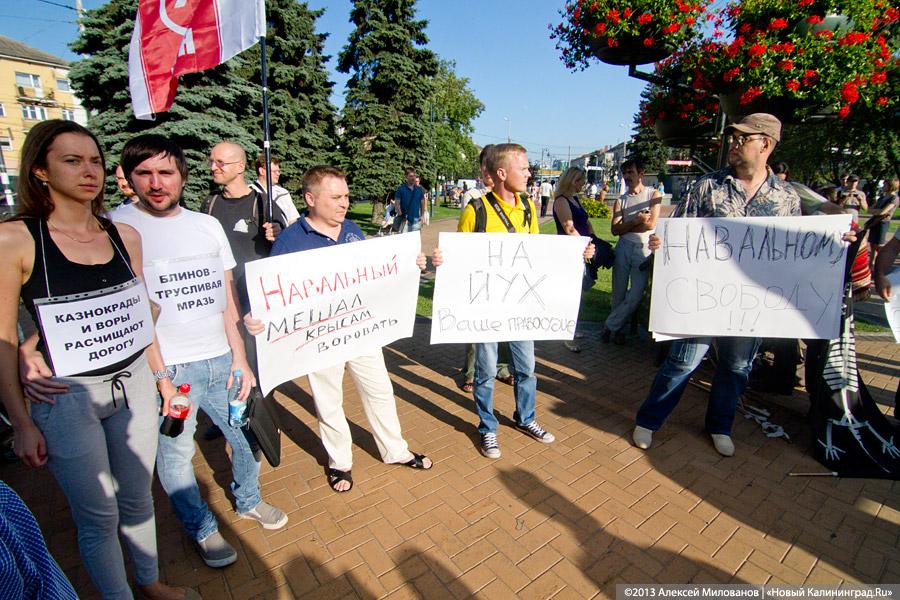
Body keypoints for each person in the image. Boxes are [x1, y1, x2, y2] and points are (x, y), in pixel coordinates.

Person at [3, 120, 192, 599]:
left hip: (133, 386)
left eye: (95, 161)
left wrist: (163, 381)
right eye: (72, 161)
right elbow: (4, 335)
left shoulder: (123, 235)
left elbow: (140, 313)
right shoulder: (17, 240)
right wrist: (21, 421)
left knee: (137, 498)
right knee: (98, 514)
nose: (89, 172)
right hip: (67, 395)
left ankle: (150, 583)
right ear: (41, 170)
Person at [113, 134, 288, 567]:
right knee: (175, 456)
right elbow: (130, 307)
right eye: (144, 173)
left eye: (166, 172)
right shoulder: (115, 227)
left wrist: (241, 358)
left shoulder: (205, 225)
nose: (156, 183)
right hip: (169, 371)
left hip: (223, 362)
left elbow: (226, 293)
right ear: (130, 177)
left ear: (181, 176)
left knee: (247, 437)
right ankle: (202, 530)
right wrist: (162, 379)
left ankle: (248, 499)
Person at [245, 166, 433, 493]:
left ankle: (395, 451)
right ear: (310, 199)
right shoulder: (291, 241)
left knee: (380, 391)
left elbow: (373, 274)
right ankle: (339, 463)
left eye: (346, 196)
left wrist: (409, 264)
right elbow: (275, 296)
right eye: (336, 197)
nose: (344, 203)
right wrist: (257, 317)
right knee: (329, 401)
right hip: (319, 340)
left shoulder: (352, 230)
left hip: (360, 332)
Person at [632, 113, 802, 458]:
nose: (733, 143)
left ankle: (720, 425)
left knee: (737, 367)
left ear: (765, 144)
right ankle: (649, 420)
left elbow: (797, 248)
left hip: (749, 303)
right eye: (733, 137)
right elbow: (678, 232)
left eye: (743, 138)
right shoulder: (707, 186)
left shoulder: (786, 199)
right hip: (703, 299)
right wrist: (662, 245)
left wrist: (835, 240)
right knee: (683, 361)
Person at [457, 143, 594, 459]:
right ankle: (488, 428)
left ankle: (526, 418)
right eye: (525, 167)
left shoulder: (529, 209)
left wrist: (578, 252)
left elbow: (537, 256)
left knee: (526, 368)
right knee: (486, 371)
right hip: (487, 308)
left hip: (521, 306)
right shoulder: (475, 211)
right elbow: (460, 261)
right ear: (502, 173)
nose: (530, 172)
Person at [602, 158, 662, 345]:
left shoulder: (653, 195)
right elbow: (615, 230)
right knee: (618, 292)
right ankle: (617, 330)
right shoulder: (621, 201)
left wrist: (626, 226)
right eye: (625, 173)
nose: (627, 177)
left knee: (636, 293)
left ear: (641, 174)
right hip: (624, 248)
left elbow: (651, 224)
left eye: (631, 173)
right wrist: (635, 222)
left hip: (643, 249)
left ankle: (609, 326)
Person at [552, 166, 600, 352]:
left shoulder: (575, 199)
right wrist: (584, 244)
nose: (584, 184)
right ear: (572, 180)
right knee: (568, 293)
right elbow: (569, 228)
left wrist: (594, 239)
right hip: (568, 251)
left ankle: (571, 326)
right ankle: (565, 333)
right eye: (581, 180)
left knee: (577, 292)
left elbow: (586, 223)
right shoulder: (561, 201)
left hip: (580, 249)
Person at [249, 154, 300, 228]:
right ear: (262, 171)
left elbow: (292, 220)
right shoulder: (250, 192)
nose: (278, 174)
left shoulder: (282, 193)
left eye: (279, 171)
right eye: (274, 171)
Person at [868, 178, 899, 270]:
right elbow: (869, 209)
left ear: (891, 186)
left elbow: (883, 212)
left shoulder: (894, 198)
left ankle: (881, 267)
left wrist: (877, 211)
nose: (883, 186)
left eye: (885, 185)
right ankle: (871, 267)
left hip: (882, 223)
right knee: (872, 246)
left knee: (879, 247)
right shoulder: (882, 197)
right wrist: (876, 211)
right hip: (874, 222)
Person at [394, 168, 424, 232]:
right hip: (404, 220)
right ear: (406, 177)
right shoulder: (401, 189)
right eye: (411, 176)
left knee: (416, 240)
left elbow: (422, 203)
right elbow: (397, 204)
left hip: (416, 219)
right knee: (404, 240)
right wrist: (402, 216)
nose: (413, 178)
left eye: (414, 176)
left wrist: (422, 215)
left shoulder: (419, 189)